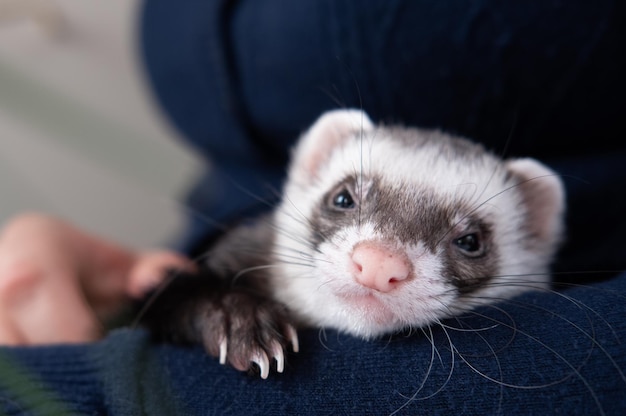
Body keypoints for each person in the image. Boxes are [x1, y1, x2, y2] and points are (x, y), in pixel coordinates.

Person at [1, 0, 625, 414]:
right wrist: (187, 302)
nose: (378, 259)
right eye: (345, 201)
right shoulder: (250, 258)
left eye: (468, 243)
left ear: (535, 237)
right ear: (305, 178)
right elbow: (169, 303)